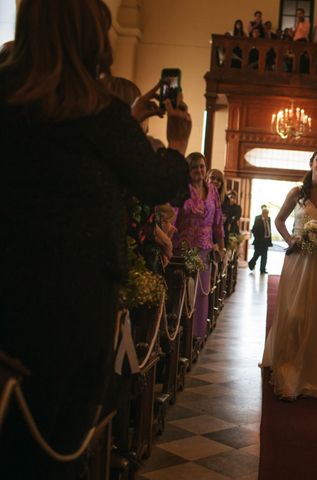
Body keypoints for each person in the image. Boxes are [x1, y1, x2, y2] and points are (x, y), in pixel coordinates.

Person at [0, 1, 191, 477]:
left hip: (7, 299)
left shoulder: (8, 93)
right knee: (53, 446)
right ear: (89, 35)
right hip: (72, 310)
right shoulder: (99, 112)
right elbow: (155, 182)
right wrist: (178, 143)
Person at [261, 148, 317, 400]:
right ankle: (288, 372)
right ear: (311, 164)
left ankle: (312, 374)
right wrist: (290, 239)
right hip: (298, 259)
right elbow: (279, 220)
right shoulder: (297, 193)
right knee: (295, 313)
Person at [173, 153, 224, 346]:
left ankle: (196, 336)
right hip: (183, 248)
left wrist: (221, 246)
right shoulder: (182, 190)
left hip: (205, 248)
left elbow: (218, 221)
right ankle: (181, 335)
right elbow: (173, 217)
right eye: (195, 167)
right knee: (184, 293)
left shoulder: (212, 191)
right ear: (188, 170)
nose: (199, 171)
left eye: (202, 166)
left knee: (201, 293)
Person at [248, 204, 273, 273]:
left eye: (268, 214)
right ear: (263, 213)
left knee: (264, 255)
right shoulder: (258, 218)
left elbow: (269, 228)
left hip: (266, 240)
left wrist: (269, 239)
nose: (267, 215)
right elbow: (254, 229)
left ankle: (262, 269)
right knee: (257, 254)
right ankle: (251, 263)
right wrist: (257, 238)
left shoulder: (269, 218)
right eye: (266, 214)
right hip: (259, 240)